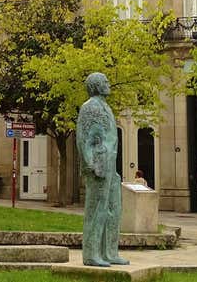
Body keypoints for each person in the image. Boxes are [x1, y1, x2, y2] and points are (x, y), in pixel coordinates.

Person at [76, 72, 129, 267]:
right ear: (96, 86)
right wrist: (90, 164)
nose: (108, 84)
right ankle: (91, 254)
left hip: (110, 165)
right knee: (96, 210)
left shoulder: (105, 107)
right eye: (105, 81)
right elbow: (83, 139)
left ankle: (109, 252)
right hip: (98, 166)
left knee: (113, 210)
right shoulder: (89, 107)